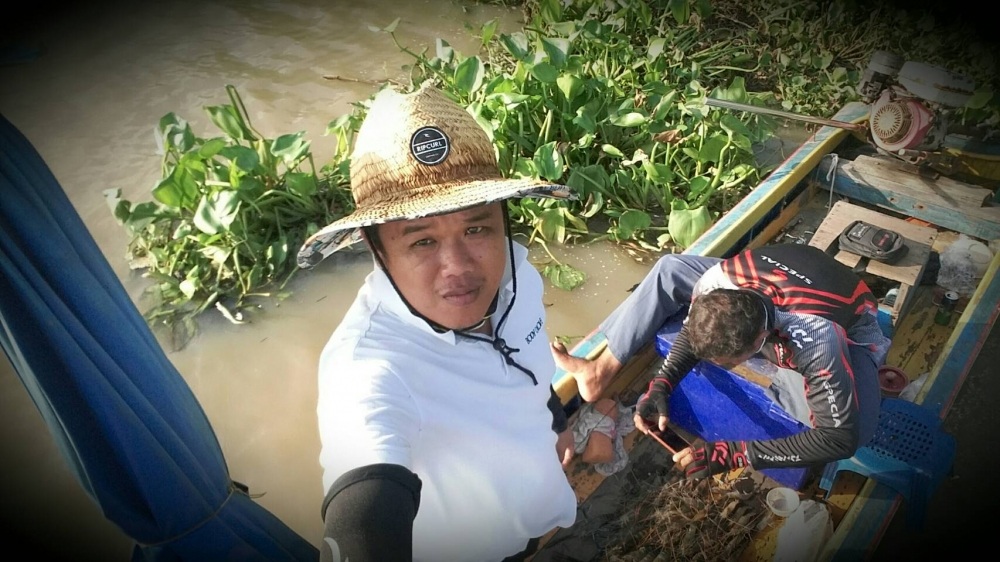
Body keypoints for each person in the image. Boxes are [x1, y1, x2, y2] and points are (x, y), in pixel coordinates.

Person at [296, 83, 579, 562]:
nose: (459, 268)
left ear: (503, 220)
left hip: (538, 515)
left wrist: (555, 422)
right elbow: (362, 507)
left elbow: (527, 360)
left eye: (476, 228)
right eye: (422, 241)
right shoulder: (367, 367)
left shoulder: (519, 275)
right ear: (376, 248)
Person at [552, 243, 891, 480]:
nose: (712, 364)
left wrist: (732, 454)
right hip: (773, 281)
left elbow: (839, 439)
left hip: (848, 320)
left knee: (857, 430)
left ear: (760, 344)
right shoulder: (716, 283)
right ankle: (600, 368)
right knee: (671, 268)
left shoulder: (816, 337)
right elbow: (692, 332)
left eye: (724, 361)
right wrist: (663, 382)